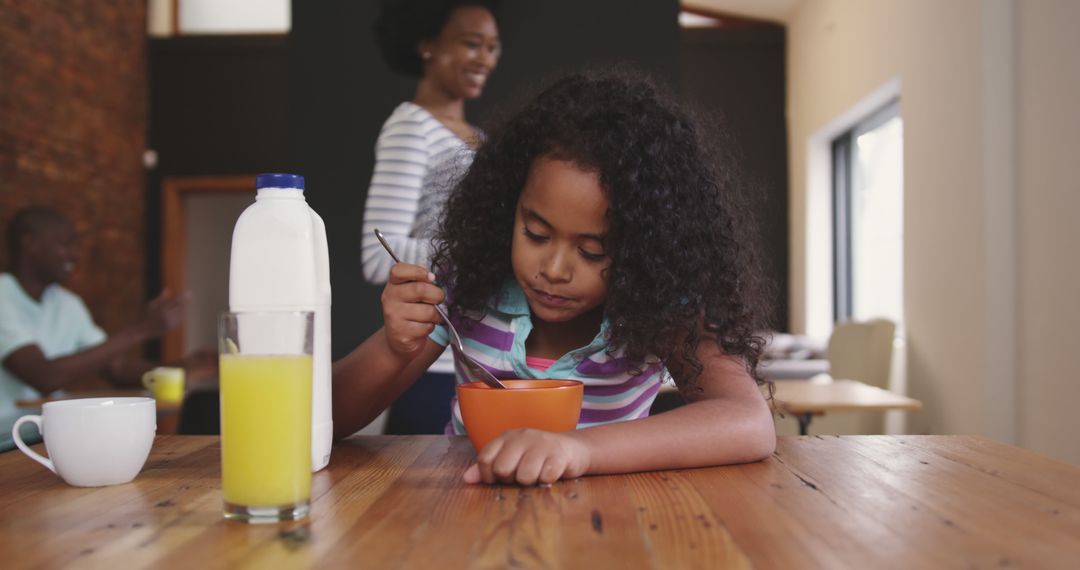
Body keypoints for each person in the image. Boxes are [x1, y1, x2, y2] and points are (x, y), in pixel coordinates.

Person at [333, 69, 776, 485]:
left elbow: (748, 422)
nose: (554, 269)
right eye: (536, 233)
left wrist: (578, 450)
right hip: (467, 524)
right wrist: (396, 347)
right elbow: (325, 416)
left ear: (645, 249)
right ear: (509, 207)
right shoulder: (466, 288)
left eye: (591, 251)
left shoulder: (658, 308)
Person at [360, 0, 502, 434]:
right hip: (432, 367)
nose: (484, 59)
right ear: (427, 46)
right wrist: (478, 254)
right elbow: (375, 253)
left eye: (493, 48)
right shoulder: (411, 126)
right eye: (471, 44)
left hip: (481, 360)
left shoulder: (479, 139)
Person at [0, 206, 214, 415]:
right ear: (29, 243)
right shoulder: (3, 296)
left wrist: (181, 369)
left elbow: (115, 367)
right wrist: (139, 330)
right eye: (66, 244)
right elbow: (43, 376)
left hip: (42, 433)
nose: (75, 255)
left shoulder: (67, 303)